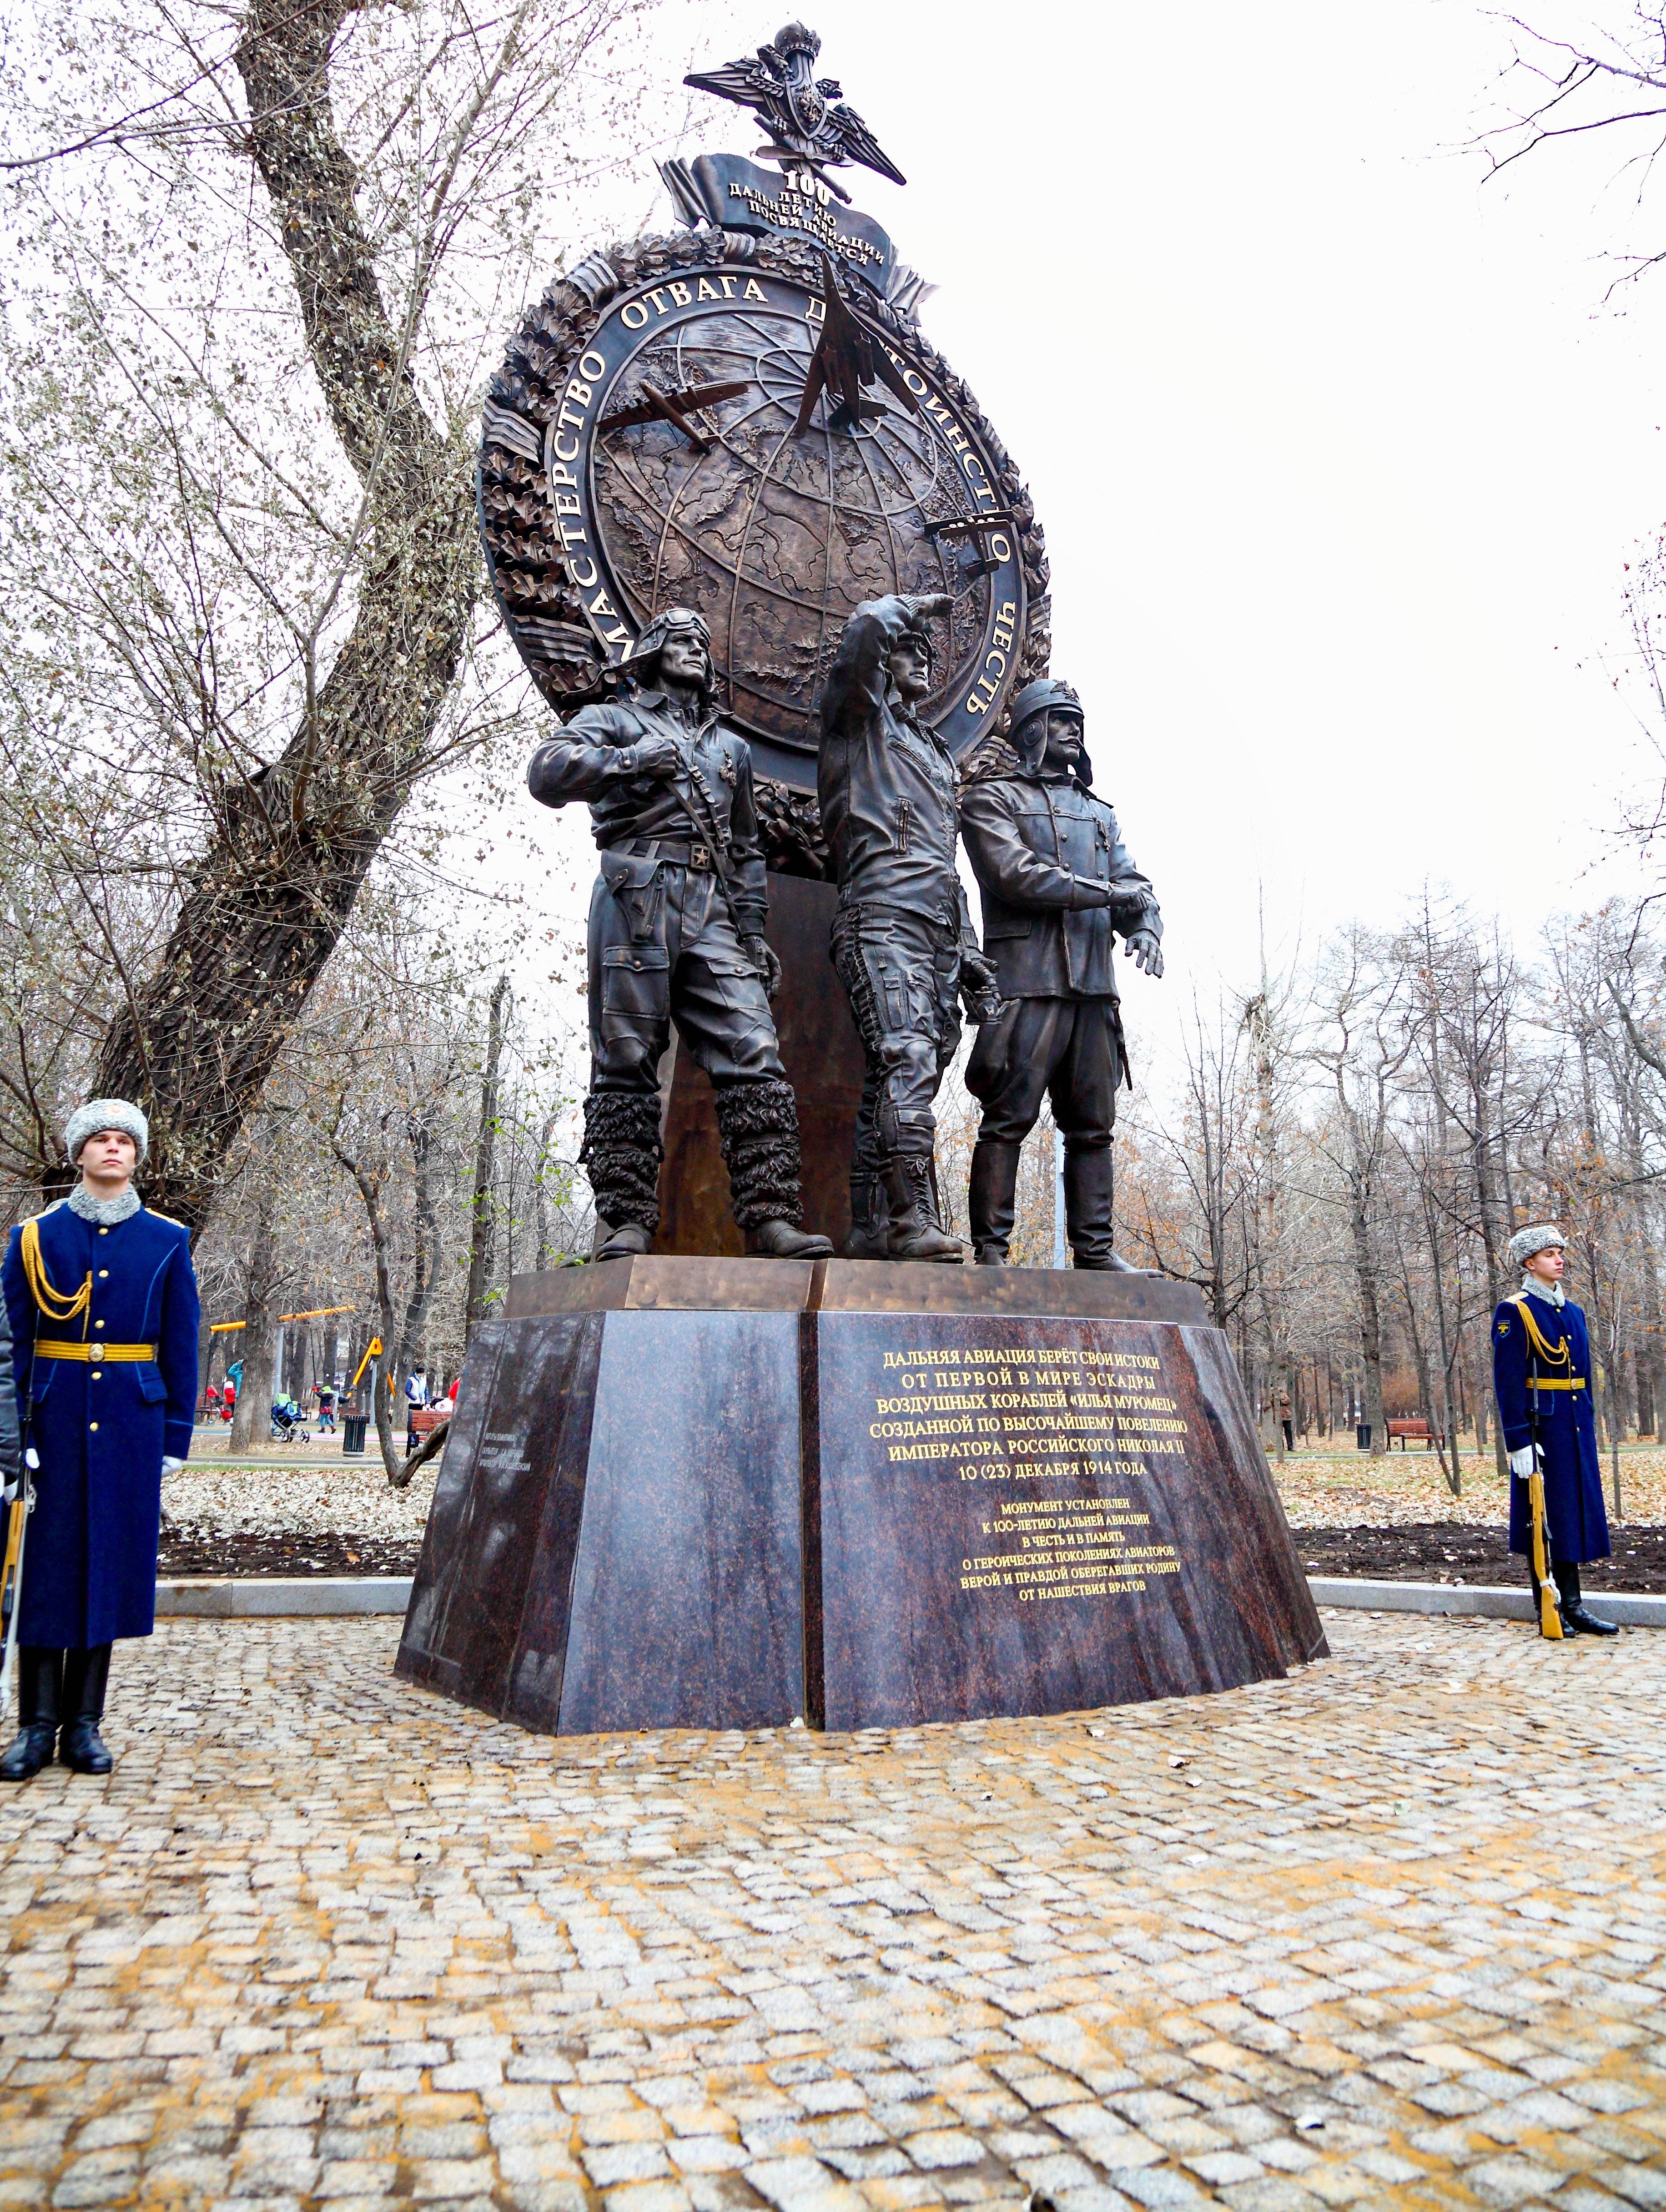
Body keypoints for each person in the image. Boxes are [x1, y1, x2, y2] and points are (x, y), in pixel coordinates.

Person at [527, 607, 832, 1263]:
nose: (696, 648)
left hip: (712, 904)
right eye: (682, 639)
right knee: (626, 1055)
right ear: (652, 650)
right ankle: (627, 1221)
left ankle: (772, 1218)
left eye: (703, 642)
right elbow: (546, 773)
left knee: (754, 1047)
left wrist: (752, 930)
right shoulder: (616, 718)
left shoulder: (730, 749)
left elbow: (746, 850)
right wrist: (631, 760)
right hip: (636, 891)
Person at [0, 1100, 201, 1779]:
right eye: (101, 1139)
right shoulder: (36, 1237)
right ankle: (35, 1727)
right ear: (80, 1154)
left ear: (136, 1156)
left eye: (124, 1141)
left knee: (105, 1569)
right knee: (44, 1570)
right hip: (51, 1423)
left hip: (129, 1426)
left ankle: (84, 1725)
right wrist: (10, 1435)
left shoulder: (167, 1239)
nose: (113, 1149)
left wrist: (175, 1434)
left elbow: (180, 1343)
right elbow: (12, 1343)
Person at [818, 593, 1002, 1261]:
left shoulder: (935, 752)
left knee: (893, 1077)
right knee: (907, 1058)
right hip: (881, 914)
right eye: (907, 650)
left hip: (936, 932)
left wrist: (968, 948)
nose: (920, 658)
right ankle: (909, 1218)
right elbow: (865, 629)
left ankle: (872, 1224)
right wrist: (913, 607)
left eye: (926, 651)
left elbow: (944, 861)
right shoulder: (859, 721)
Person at [958, 679, 1163, 1268]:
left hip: (1093, 989)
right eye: (1059, 718)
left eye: (1077, 720)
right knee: (1007, 1120)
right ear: (1030, 730)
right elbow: (1014, 875)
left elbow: (1135, 884)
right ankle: (992, 1252)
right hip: (1027, 983)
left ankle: (1095, 1252)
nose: (1073, 729)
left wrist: (1145, 927)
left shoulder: (1099, 812)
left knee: (1093, 1127)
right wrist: (1108, 895)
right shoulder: (990, 799)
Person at [1493, 1224, 1617, 1638]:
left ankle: (1574, 1605)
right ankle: (1548, 1605)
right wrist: (1518, 1439)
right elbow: (1507, 1379)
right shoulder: (1515, 1310)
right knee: (1540, 1516)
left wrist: (1587, 1420)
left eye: (1559, 1252)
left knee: (1570, 1514)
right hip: (1541, 1428)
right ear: (1529, 1263)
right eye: (1549, 1254)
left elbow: (1582, 1376)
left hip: (1574, 1425)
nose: (1559, 1259)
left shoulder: (1574, 1311)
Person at [403, 1366, 429, 1455]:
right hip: (413, 1403)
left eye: (422, 1374)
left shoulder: (423, 1381)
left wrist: (427, 1402)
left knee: (418, 1422)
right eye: (420, 1374)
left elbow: (426, 1392)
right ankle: (412, 1438)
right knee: (412, 1421)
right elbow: (407, 1391)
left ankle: (415, 1439)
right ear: (417, 1373)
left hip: (421, 1403)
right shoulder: (411, 1380)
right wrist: (414, 1397)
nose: (421, 1375)